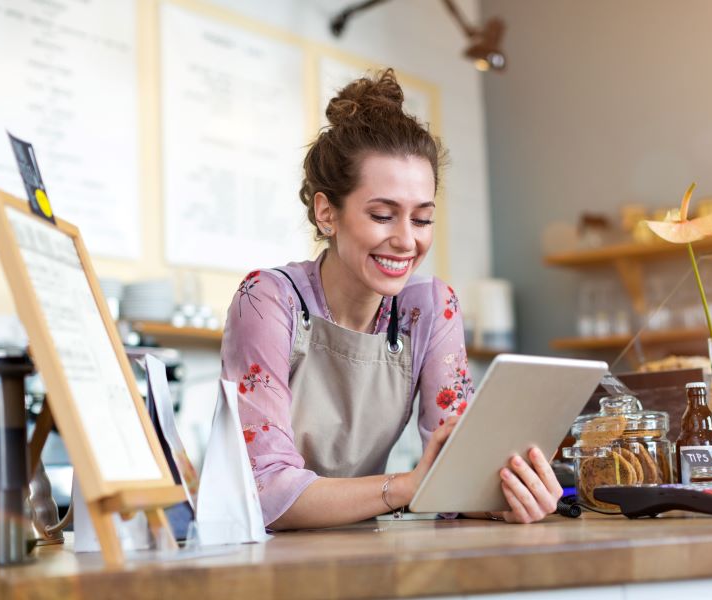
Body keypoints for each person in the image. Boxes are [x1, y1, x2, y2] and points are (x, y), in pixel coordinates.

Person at [221, 69, 562, 530]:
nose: (405, 241)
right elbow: (264, 493)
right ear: (327, 213)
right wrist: (405, 487)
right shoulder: (267, 301)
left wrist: (506, 493)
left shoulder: (431, 308)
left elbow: (456, 467)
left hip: (359, 546)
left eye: (422, 220)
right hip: (253, 554)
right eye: (383, 215)